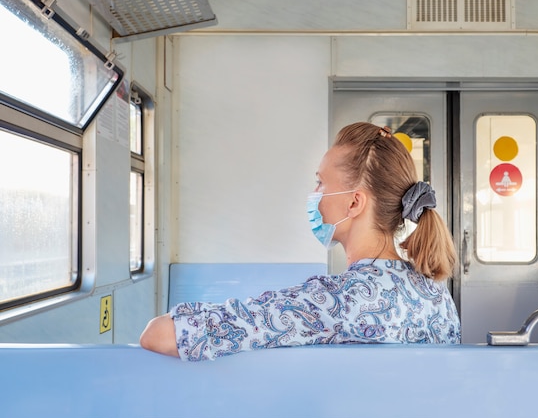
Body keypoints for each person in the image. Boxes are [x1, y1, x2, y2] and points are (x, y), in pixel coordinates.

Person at [140, 122, 461, 360]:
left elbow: (162, 336)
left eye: (321, 183)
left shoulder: (333, 301)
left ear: (354, 203)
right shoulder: (436, 296)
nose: (315, 195)